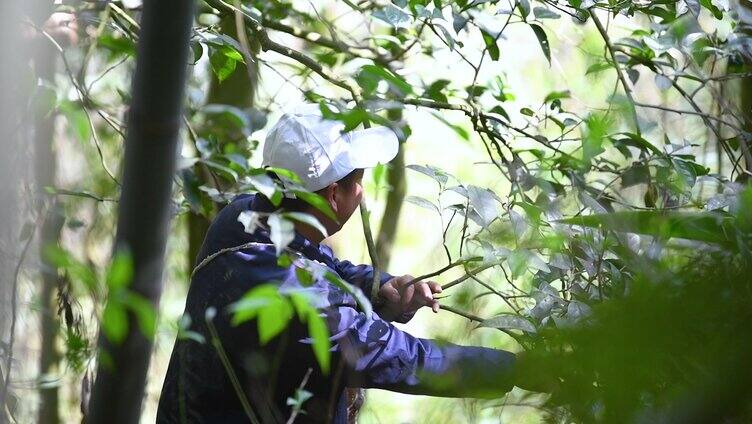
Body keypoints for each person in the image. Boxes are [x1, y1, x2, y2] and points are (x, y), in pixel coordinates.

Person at [157, 104, 524, 423]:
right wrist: (516, 369)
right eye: (358, 182)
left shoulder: (246, 217)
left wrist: (379, 289)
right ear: (334, 195)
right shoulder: (294, 298)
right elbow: (401, 358)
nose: (362, 192)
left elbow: (322, 264)